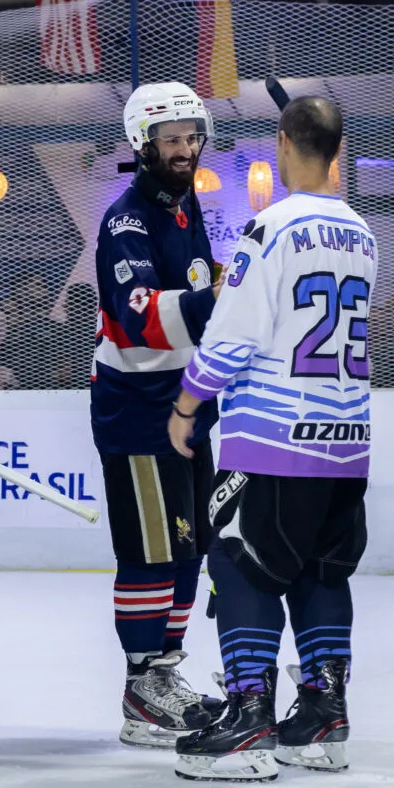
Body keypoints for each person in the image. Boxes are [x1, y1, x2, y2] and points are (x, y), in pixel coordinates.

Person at [168, 96, 376, 782]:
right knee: (322, 569)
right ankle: (324, 711)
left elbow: (233, 335)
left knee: (241, 565)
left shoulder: (269, 229)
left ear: (284, 143)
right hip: (345, 436)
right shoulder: (362, 233)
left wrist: (187, 403)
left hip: (274, 433)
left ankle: (248, 715)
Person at [92, 81, 224, 748]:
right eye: (170, 139)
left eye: (191, 136)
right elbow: (140, 316)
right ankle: (141, 684)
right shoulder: (126, 220)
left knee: (190, 545)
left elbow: (196, 284)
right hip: (138, 408)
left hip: (189, 401)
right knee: (150, 550)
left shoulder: (184, 205)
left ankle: (166, 668)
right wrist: (223, 302)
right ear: (143, 144)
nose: (184, 149)